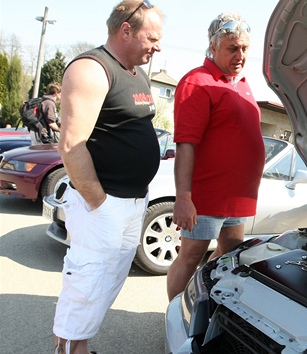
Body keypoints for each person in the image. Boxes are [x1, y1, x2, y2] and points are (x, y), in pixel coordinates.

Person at [52, 1, 163, 353]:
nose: (157, 46)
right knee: (86, 282)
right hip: (103, 202)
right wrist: (99, 203)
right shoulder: (92, 69)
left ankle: (79, 344)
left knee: (108, 281)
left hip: (133, 200)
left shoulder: (136, 72)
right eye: (152, 37)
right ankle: (68, 349)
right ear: (125, 30)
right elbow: (71, 145)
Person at [166, 12, 265, 301]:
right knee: (190, 257)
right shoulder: (198, 81)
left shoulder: (242, 84)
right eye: (232, 48)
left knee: (229, 256)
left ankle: (200, 303)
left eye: (244, 48)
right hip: (207, 195)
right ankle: (174, 316)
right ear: (213, 47)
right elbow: (186, 143)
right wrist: (183, 197)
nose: (240, 55)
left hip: (238, 196)